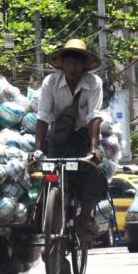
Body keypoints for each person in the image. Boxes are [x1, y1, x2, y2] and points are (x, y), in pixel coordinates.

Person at [35, 38, 107, 243]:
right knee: (47, 173)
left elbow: (94, 116)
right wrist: (38, 149)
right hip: (59, 138)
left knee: (96, 170)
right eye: (69, 62)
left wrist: (94, 148)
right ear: (62, 64)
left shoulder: (94, 83)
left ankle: (85, 217)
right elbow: (43, 116)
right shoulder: (50, 82)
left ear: (84, 65)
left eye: (77, 62)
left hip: (85, 136)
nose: (73, 66)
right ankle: (51, 215)